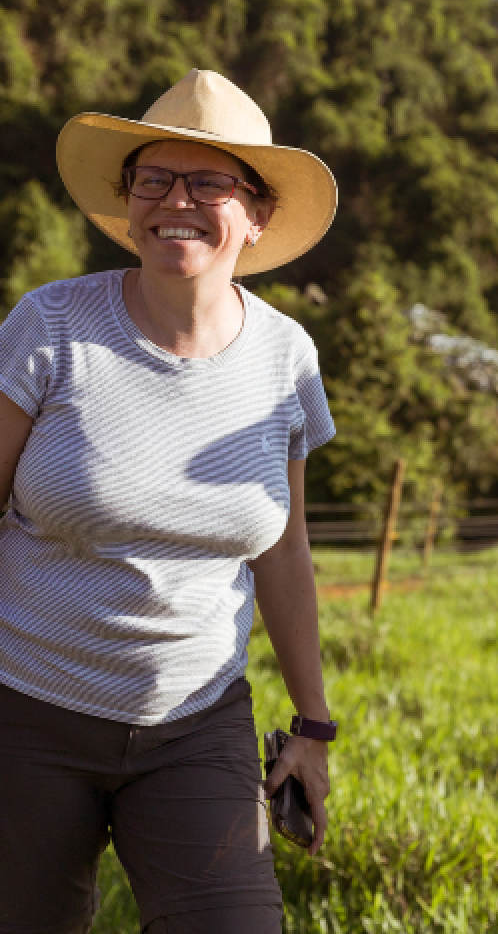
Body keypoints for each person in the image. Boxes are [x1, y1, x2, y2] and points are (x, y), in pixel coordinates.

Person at [0, 69, 340, 934]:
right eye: (152, 178)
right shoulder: (51, 327)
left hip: (197, 725)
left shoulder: (285, 357)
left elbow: (283, 549)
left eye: (209, 181)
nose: (173, 201)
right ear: (127, 203)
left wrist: (313, 726)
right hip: (25, 713)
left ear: (257, 215)